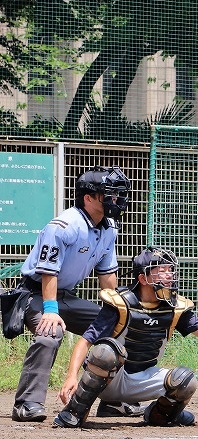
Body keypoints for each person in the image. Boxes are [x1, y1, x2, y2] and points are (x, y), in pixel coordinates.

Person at [53, 246, 198, 428]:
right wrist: (71, 377)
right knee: (105, 351)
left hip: (143, 379)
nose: (169, 275)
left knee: (186, 381)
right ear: (143, 278)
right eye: (162, 270)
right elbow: (85, 342)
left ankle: (160, 415)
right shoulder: (120, 303)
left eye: (170, 270)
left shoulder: (174, 307)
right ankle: (75, 411)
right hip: (109, 381)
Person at [11, 165, 136, 422]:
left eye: (117, 195)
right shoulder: (65, 225)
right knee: (50, 333)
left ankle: (113, 401)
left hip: (65, 295)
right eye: (108, 195)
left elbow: (107, 276)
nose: (115, 200)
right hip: (35, 294)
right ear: (88, 198)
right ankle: (27, 404)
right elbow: (48, 273)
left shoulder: (109, 227)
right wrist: (50, 310)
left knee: (120, 326)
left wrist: (116, 311)